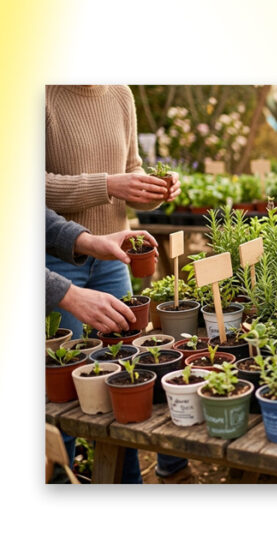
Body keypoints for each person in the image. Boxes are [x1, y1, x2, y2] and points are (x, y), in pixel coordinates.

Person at [46, 84, 189, 483]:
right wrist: (107, 185)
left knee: (125, 372)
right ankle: (60, 479)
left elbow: (133, 167)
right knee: (66, 383)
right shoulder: (41, 95)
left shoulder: (121, 94)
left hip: (115, 255)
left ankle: (126, 481)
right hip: (57, 262)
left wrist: (152, 190)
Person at [46, 208, 159, 484]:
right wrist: (66, 293)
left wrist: (88, 241)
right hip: (53, 266)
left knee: (120, 368)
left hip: (83, 249)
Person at [46, 208, 157, 332]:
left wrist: (88, 242)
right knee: (68, 345)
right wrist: (67, 294)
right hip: (56, 260)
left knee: (124, 333)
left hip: (105, 253)